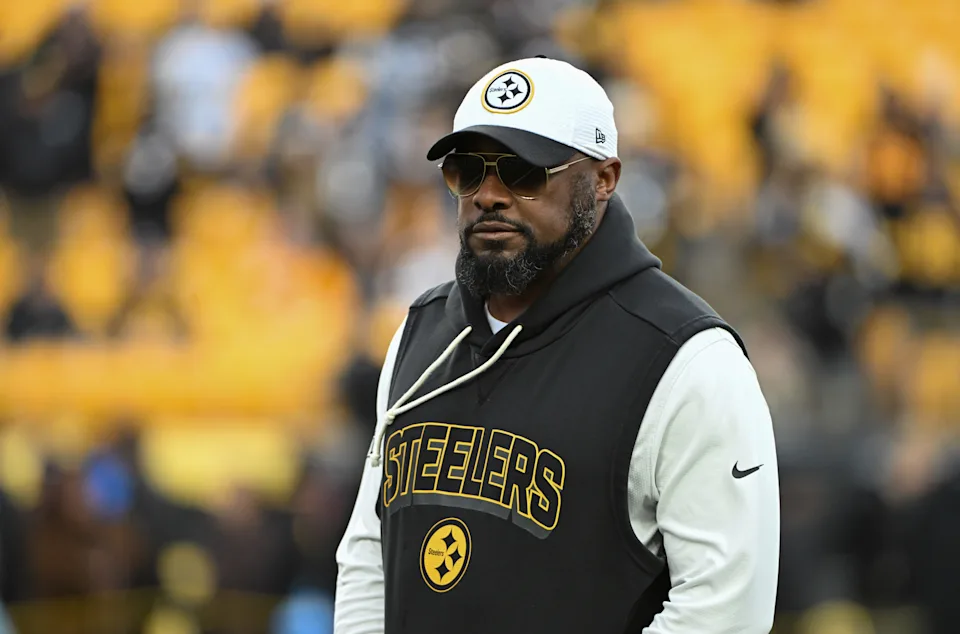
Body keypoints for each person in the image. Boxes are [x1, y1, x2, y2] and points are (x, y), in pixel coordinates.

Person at [334, 56, 780, 634]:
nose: (489, 194)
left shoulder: (686, 358)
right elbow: (370, 553)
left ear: (603, 179)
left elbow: (724, 612)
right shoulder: (420, 331)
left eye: (523, 170)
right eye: (467, 170)